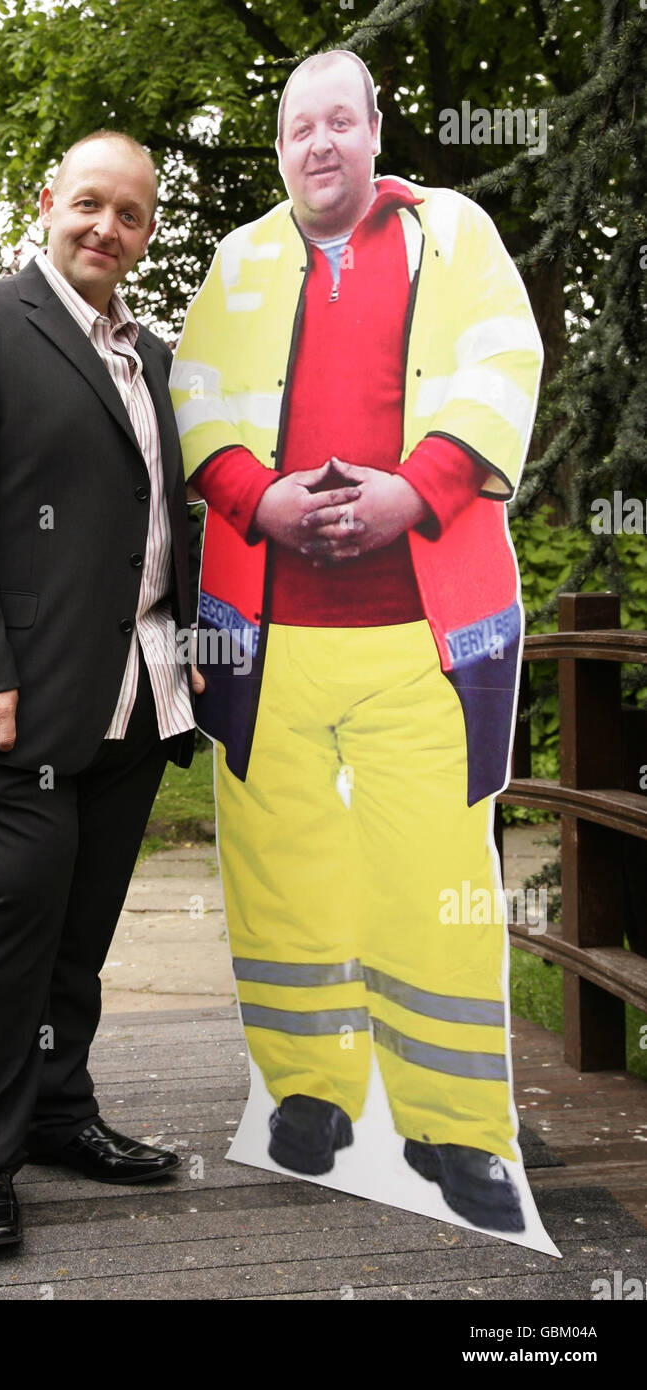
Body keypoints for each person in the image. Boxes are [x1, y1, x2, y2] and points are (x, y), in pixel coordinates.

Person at [170, 50, 544, 1234]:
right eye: (297, 128)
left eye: (340, 120)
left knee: (433, 879)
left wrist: (412, 491)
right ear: (280, 148)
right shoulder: (236, 262)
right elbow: (199, 397)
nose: (318, 144)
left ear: (375, 131)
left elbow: (502, 372)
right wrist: (259, 497)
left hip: (422, 628)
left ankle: (455, 1130)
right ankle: (309, 1098)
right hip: (265, 630)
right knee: (278, 874)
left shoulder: (456, 234)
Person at [0, 130, 202, 1248]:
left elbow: (159, 518)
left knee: (78, 926)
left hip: (133, 692)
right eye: (89, 204)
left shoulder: (156, 357)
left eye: (129, 215)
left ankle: (57, 1110)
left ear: (146, 231)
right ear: (48, 203)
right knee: (2, 917)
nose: (104, 228)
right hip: (6, 698)